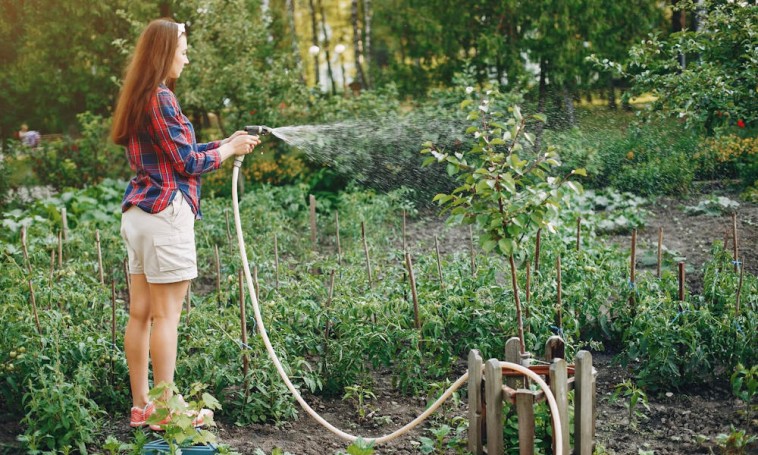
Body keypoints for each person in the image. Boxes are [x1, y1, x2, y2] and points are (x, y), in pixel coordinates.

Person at [110, 18, 261, 430]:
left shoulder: (142, 97)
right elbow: (188, 163)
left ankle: (143, 406)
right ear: (164, 53)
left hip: (139, 215)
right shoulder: (161, 98)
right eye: (183, 50)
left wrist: (226, 143)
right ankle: (164, 412)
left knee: (140, 313)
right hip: (164, 216)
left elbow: (182, 150)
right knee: (167, 316)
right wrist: (228, 150)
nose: (187, 58)